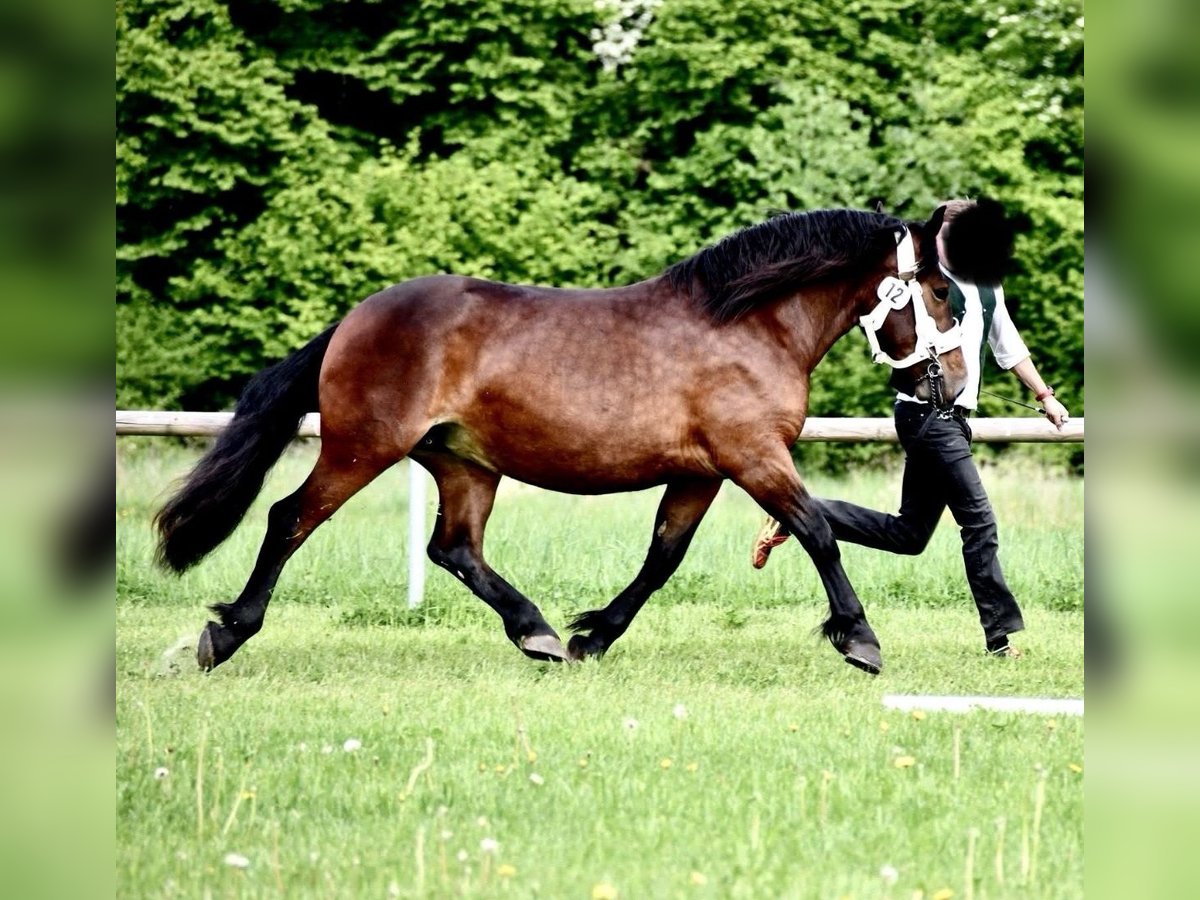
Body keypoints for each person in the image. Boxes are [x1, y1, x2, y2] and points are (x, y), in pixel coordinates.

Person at [751, 198, 1071, 657]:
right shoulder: (917, 284)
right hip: (925, 416)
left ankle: (798, 511)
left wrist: (1045, 396)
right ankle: (999, 639)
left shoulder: (987, 284)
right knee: (979, 522)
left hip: (956, 420)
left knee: (909, 535)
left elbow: (1009, 346)